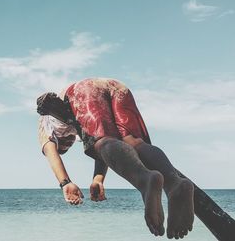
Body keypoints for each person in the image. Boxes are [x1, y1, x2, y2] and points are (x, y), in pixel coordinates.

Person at [37, 77, 194, 239]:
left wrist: (65, 183)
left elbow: (50, 151)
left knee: (101, 142)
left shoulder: (46, 124)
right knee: (133, 143)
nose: (70, 142)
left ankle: (145, 180)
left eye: (67, 144)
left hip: (82, 92)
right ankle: (174, 183)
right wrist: (98, 179)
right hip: (116, 87)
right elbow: (104, 148)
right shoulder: (71, 123)